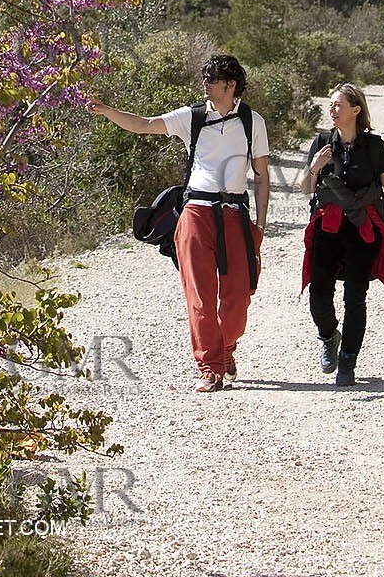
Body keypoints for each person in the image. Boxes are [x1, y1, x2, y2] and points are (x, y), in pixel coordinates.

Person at [87, 53, 269, 392]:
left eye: (212, 78)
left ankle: (227, 346)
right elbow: (143, 124)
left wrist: (260, 223)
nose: (206, 83)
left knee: (239, 296)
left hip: (235, 213)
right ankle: (209, 367)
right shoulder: (192, 117)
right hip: (196, 212)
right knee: (199, 293)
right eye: (205, 77)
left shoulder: (252, 121)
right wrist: (107, 111)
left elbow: (261, 176)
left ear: (231, 84)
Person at [299, 83, 384, 388]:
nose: (332, 110)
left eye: (338, 105)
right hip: (328, 227)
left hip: (362, 228)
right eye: (331, 104)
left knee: (356, 296)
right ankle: (328, 336)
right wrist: (315, 167)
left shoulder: (375, 147)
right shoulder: (323, 143)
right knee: (319, 294)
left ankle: (348, 360)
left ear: (356, 110)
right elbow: (304, 188)